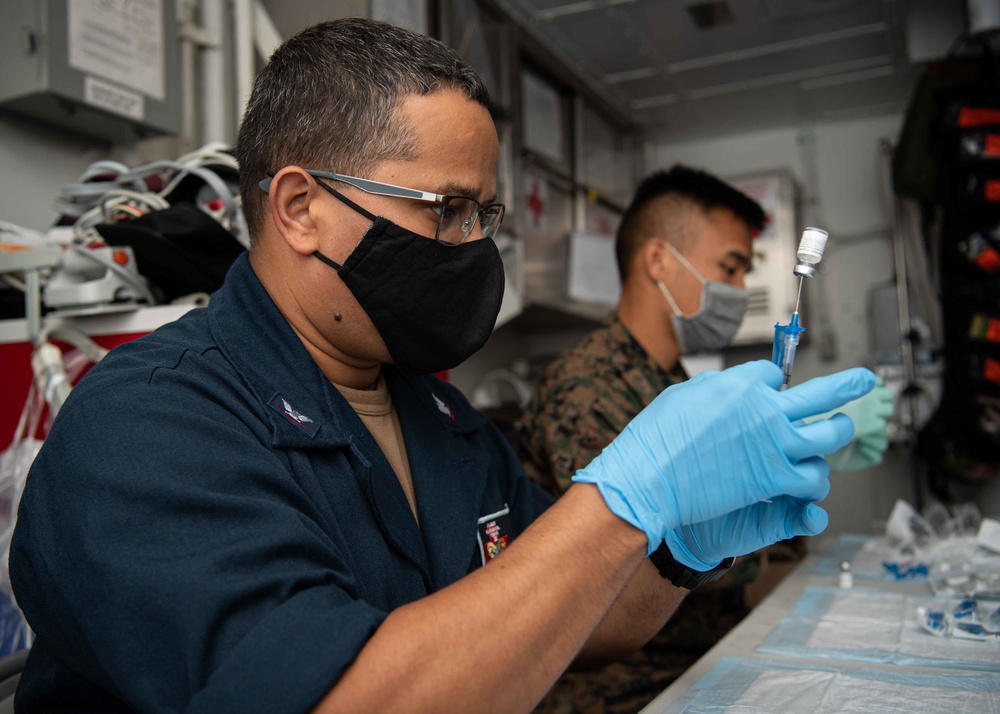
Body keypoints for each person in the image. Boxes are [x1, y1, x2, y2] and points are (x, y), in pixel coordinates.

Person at [9, 20, 875, 714]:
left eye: (482, 213)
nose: (474, 247)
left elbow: (580, 616)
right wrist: (624, 502)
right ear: (301, 208)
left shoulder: (442, 419)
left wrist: (677, 547)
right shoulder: (149, 428)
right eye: (447, 210)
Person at [515, 165, 895, 713]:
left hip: (698, 657)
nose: (739, 291)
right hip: (623, 684)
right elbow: (623, 563)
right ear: (658, 261)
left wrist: (793, 450)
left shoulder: (676, 386)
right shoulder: (585, 384)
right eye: (730, 268)